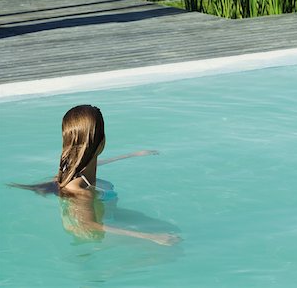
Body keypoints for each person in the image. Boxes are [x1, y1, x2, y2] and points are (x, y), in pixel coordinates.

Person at [10, 104, 179, 246]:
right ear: (101, 142)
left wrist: (132, 155)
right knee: (169, 247)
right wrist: (152, 238)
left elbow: (97, 161)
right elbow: (90, 225)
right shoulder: (82, 192)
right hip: (95, 237)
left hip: (101, 219)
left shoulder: (69, 169)